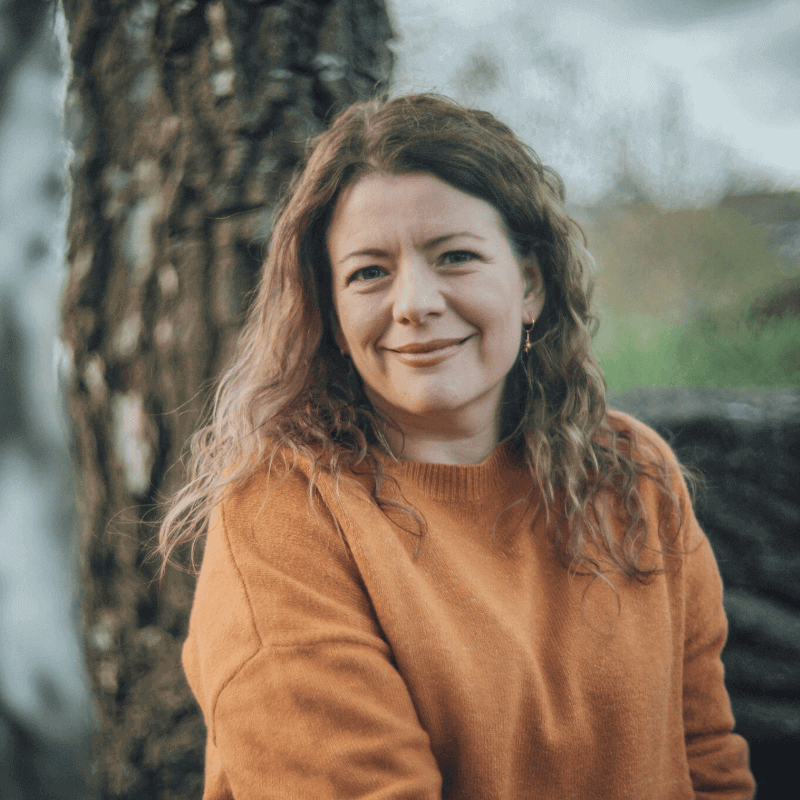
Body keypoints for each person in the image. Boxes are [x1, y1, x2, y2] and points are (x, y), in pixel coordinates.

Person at [158, 94, 755, 799]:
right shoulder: (283, 518)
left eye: (456, 256)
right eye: (368, 272)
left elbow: (708, 761)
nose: (415, 301)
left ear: (529, 283)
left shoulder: (634, 474)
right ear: (333, 313)